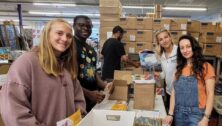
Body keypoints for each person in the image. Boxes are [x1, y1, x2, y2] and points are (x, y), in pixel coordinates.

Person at [0, 19, 86, 126]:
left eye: (69, 36)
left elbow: (78, 97)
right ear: (47, 34)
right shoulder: (26, 63)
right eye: (59, 33)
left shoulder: (66, 65)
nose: (64, 39)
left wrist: (78, 116)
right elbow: (13, 109)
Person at [164, 35, 215, 126]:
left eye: (188, 46)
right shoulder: (178, 68)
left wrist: (206, 118)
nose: (185, 50)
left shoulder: (206, 67)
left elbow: (210, 93)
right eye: (182, 48)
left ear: (194, 47)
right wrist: (170, 114)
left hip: (197, 115)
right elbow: (174, 91)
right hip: (179, 113)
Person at [73, 15, 111, 112]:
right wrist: (89, 94)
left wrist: (104, 85)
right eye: (81, 25)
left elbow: (93, 72)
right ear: (73, 26)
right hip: (76, 99)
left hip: (93, 97)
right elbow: (68, 79)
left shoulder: (90, 49)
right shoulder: (69, 46)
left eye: (89, 26)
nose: (85, 28)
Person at [155, 28, 178, 110]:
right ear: (159, 43)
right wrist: (158, 75)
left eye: (166, 37)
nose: (164, 41)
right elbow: (164, 75)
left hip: (181, 93)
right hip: (169, 91)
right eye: (161, 39)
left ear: (170, 37)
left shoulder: (179, 51)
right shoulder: (162, 56)